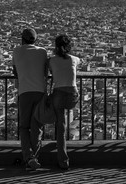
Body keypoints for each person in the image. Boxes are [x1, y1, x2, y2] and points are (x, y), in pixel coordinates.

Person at [12, 28, 48, 171]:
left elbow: (15, 72)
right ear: (35, 40)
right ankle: (34, 157)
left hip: (25, 92)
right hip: (40, 92)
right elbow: (45, 72)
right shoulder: (43, 51)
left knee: (24, 127)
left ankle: (29, 157)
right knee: (36, 127)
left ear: (22, 39)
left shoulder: (17, 51)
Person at [49, 34, 80, 170]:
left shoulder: (51, 60)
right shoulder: (74, 59)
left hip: (59, 95)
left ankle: (63, 161)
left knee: (61, 126)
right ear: (69, 47)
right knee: (67, 118)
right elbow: (80, 62)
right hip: (72, 96)